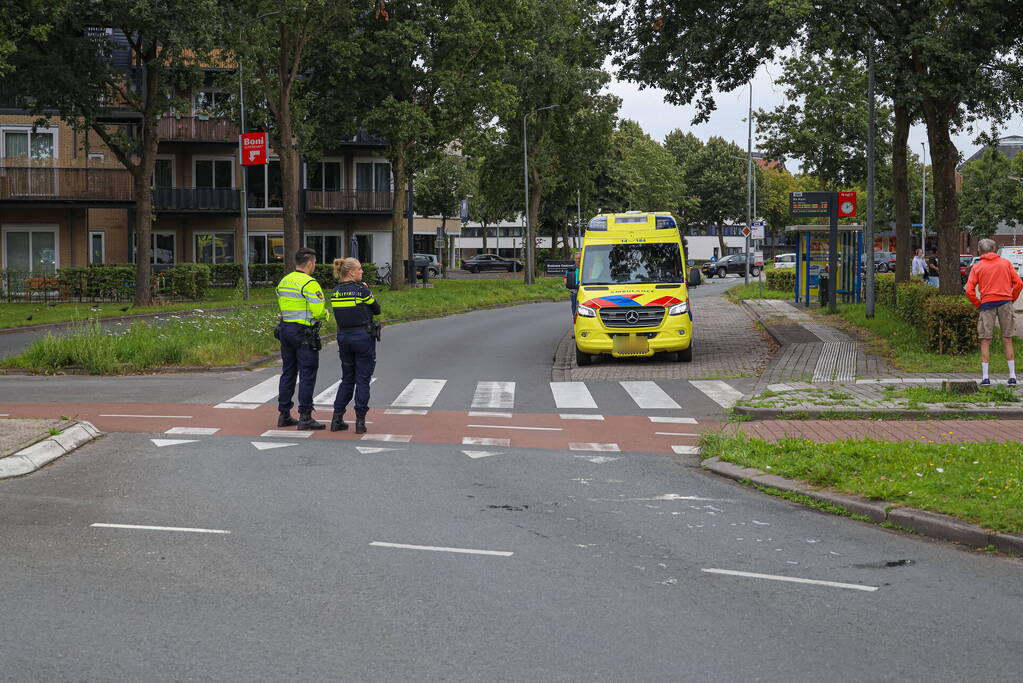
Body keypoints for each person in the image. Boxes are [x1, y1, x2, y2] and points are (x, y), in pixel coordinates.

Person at [276, 247, 331, 429]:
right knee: (307, 373)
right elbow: (317, 311)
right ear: (309, 263)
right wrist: (326, 315)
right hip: (304, 332)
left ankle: (284, 415)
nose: (314, 266)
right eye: (314, 263)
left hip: (285, 329)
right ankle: (305, 417)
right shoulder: (310, 283)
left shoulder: (284, 281)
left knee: (288, 372)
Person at [329, 257, 381, 434]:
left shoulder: (335, 292)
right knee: (363, 380)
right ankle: (360, 422)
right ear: (351, 272)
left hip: (343, 337)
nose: (362, 271)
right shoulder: (361, 291)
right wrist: (367, 291)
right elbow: (377, 309)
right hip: (362, 338)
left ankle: (337, 418)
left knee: (347, 379)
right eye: (359, 269)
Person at [965, 238, 1023, 387]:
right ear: (994, 249)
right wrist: (1011, 298)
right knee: (1007, 338)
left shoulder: (977, 267)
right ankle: (1012, 377)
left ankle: (985, 377)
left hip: (987, 304)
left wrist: (978, 303)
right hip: (1005, 302)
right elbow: (1019, 283)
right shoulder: (1005, 264)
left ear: (979, 250)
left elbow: (969, 290)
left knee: (985, 340)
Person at [565, 251, 581, 318]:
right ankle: (575, 319)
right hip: (574, 290)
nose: (578, 260)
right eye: (577, 258)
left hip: (584, 290)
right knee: (574, 306)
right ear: (574, 259)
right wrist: (569, 285)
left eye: (580, 258)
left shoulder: (586, 268)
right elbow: (566, 280)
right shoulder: (571, 269)